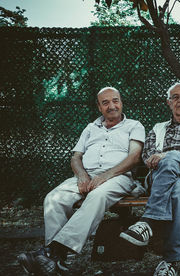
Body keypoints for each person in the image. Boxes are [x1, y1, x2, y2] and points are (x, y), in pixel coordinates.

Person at [18, 87, 145, 275]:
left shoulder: (134, 126)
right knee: (53, 198)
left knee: (97, 196)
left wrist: (105, 176)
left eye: (115, 101)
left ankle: (53, 253)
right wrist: (82, 175)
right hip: (87, 176)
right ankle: (56, 263)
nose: (112, 106)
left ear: (121, 102)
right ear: (99, 107)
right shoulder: (90, 128)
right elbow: (76, 158)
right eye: (105, 102)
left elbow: (134, 158)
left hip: (118, 177)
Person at [119, 83, 180, 276]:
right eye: (175, 97)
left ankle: (147, 222)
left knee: (171, 158)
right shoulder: (157, 128)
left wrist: (167, 156)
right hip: (164, 178)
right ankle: (170, 261)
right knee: (177, 189)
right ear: (168, 103)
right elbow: (148, 157)